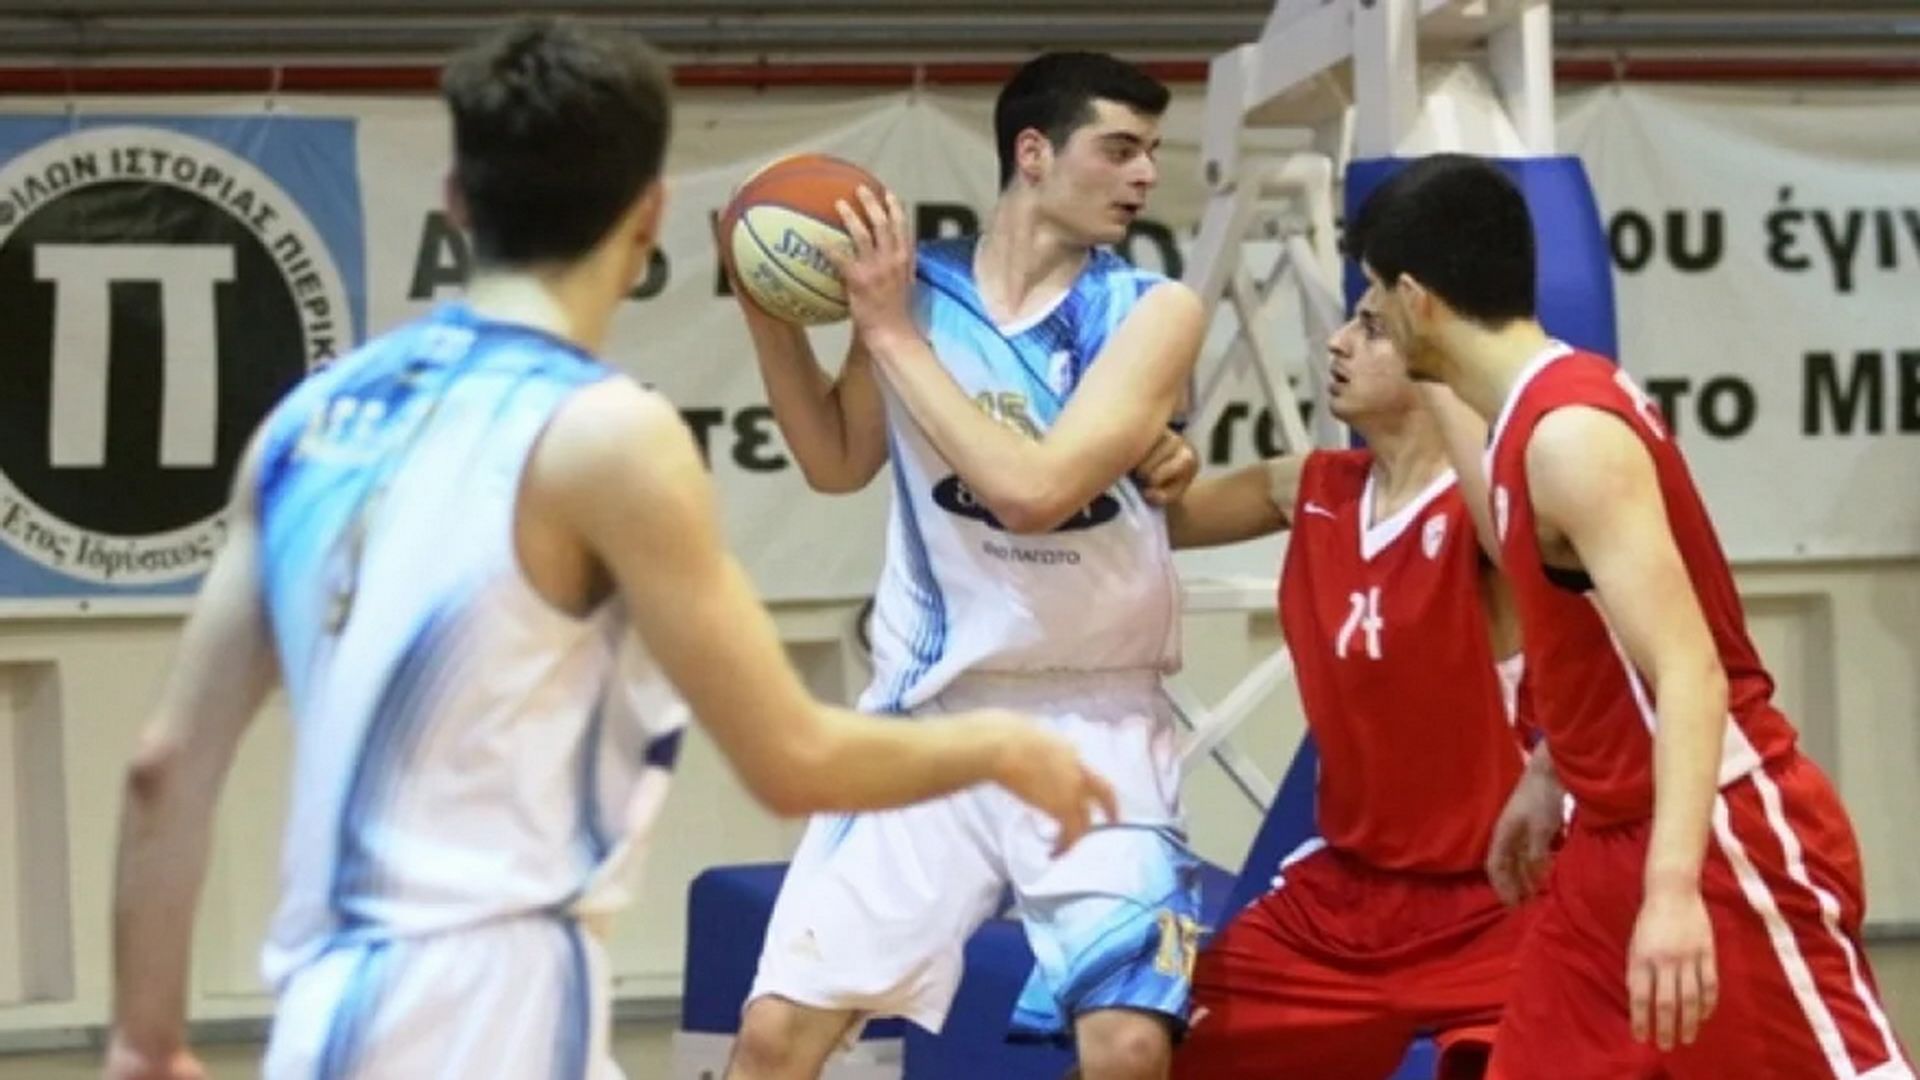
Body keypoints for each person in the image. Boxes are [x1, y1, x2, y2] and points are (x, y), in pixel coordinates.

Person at [102, 20, 1118, 1080]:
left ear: (455, 201)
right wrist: (1002, 750)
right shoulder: (604, 434)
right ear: (649, 217)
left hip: (323, 1010)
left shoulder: (309, 420)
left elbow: (162, 769)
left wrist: (143, 1037)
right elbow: (792, 759)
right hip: (489, 1008)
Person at [1345, 152, 1914, 1080]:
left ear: (1416, 299)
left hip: (1718, 833)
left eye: (1372, 296)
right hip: (1610, 837)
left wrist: (1674, 888)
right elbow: (1592, 630)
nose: (1363, 317)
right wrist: (1553, 766)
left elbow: (1689, 670)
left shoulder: (1571, 438)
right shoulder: (1532, 418)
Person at [723, 51, 1206, 1080]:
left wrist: (888, 334)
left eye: (1153, 152)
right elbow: (836, 460)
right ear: (1033, 153)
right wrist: (770, 319)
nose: (1145, 175)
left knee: (1126, 1047)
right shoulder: (917, 291)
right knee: (773, 1036)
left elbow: (1034, 492)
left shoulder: (1152, 310)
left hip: (1097, 720)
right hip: (934, 712)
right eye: (1120, 149)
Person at [1165, 298, 1535, 1080]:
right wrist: (1145, 440)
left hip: (1498, 902)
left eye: (1371, 328)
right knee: (1139, 1051)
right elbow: (1151, 523)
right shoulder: (1308, 485)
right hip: (1345, 900)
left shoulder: (1490, 513)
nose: (1335, 343)